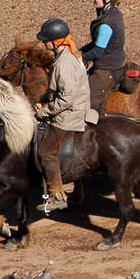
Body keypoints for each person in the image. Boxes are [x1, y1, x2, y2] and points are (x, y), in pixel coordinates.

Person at [33, 17, 95, 212]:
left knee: (46, 151)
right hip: (71, 108)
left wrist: (45, 111)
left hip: (69, 116)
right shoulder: (65, 57)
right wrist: (44, 97)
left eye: (46, 40)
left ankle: (57, 195)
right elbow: (58, 90)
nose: (44, 44)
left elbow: (66, 98)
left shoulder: (64, 64)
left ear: (57, 41)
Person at [81, 0, 127, 109]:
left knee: (86, 102)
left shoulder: (106, 24)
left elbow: (97, 51)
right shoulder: (113, 13)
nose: (93, 0)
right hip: (115, 61)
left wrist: (81, 58)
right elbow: (96, 43)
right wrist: (80, 51)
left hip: (107, 68)